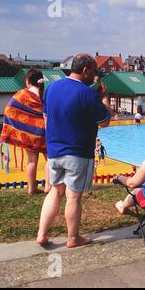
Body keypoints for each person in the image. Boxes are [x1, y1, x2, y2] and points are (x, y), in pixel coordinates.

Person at [36, 54, 112, 248]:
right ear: (85, 70)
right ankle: (73, 238)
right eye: (94, 72)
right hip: (78, 152)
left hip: (54, 150)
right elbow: (104, 122)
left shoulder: (52, 87)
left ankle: (42, 234)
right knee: (73, 196)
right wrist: (104, 98)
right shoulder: (86, 93)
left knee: (54, 191)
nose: (95, 76)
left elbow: (46, 119)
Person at [0, 68, 50, 195]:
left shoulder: (22, 94)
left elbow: (9, 109)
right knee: (50, 160)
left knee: (32, 161)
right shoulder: (44, 94)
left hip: (29, 134)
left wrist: (21, 127)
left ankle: (31, 188)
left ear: (28, 81)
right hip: (43, 133)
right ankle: (48, 187)